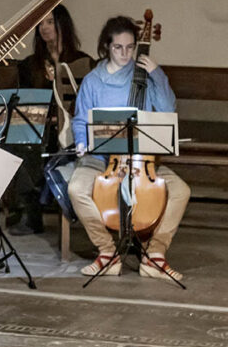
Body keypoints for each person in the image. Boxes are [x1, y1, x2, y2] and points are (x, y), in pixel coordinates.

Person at [67, 16, 189, 281]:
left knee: (181, 190)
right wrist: (80, 140)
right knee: (76, 189)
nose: (125, 53)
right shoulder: (93, 81)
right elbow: (80, 119)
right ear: (106, 47)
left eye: (130, 47)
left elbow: (168, 109)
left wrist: (157, 73)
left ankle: (154, 256)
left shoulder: (145, 75)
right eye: (118, 47)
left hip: (142, 161)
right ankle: (107, 253)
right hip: (101, 158)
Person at [11, 4, 94, 236]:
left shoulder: (84, 62)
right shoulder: (30, 64)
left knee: (41, 140)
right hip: (39, 127)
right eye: (41, 24)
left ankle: (29, 208)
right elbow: (24, 103)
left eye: (50, 22)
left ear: (62, 24)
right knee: (22, 138)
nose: (44, 28)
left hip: (72, 129)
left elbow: (87, 103)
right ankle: (29, 210)